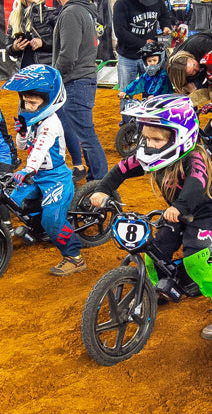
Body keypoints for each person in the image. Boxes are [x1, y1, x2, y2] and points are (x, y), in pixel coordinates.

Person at [89, 94, 212, 341]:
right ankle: (152, 290)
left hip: (202, 213)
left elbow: (196, 185)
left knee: (197, 260)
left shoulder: (196, 157)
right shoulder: (151, 153)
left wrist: (179, 207)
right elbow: (121, 169)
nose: (149, 144)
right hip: (176, 212)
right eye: (146, 137)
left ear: (180, 136)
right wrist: (103, 188)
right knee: (155, 250)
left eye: (156, 139)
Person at [2, 64, 86, 276]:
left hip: (56, 177)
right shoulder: (33, 118)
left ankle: (74, 257)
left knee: (53, 219)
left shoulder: (51, 123)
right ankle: (39, 229)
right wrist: (21, 132)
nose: (27, 106)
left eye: (33, 102)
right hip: (37, 174)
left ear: (48, 101)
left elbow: (39, 148)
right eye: (25, 101)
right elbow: (23, 146)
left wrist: (28, 169)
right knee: (13, 200)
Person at [51, 0, 109, 182]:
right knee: (85, 135)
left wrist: (54, 78)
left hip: (76, 81)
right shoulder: (85, 9)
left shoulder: (71, 12)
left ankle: (101, 184)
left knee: (86, 136)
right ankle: (97, 181)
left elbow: (68, 55)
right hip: (83, 79)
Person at [113, 0, 172, 122]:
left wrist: (166, 25)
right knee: (127, 92)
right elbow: (120, 31)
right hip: (128, 56)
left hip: (151, 57)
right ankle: (128, 127)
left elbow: (164, 14)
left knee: (153, 91)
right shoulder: (121, 4)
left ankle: (152, 125)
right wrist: (143, 42)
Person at [6, 0, 57, 68]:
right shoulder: (14, 16)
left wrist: (43, 42)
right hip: (23, 72)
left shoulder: (51, 13)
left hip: (46, 70)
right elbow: (8, 47)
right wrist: (14, 48)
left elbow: (62, 42)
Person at [166, 32, 212, 104]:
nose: (196, 69)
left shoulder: (202, 45)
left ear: (189, 57)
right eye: (192, 72)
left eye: (194, 65)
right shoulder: (174, 67)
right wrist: (187, 86)